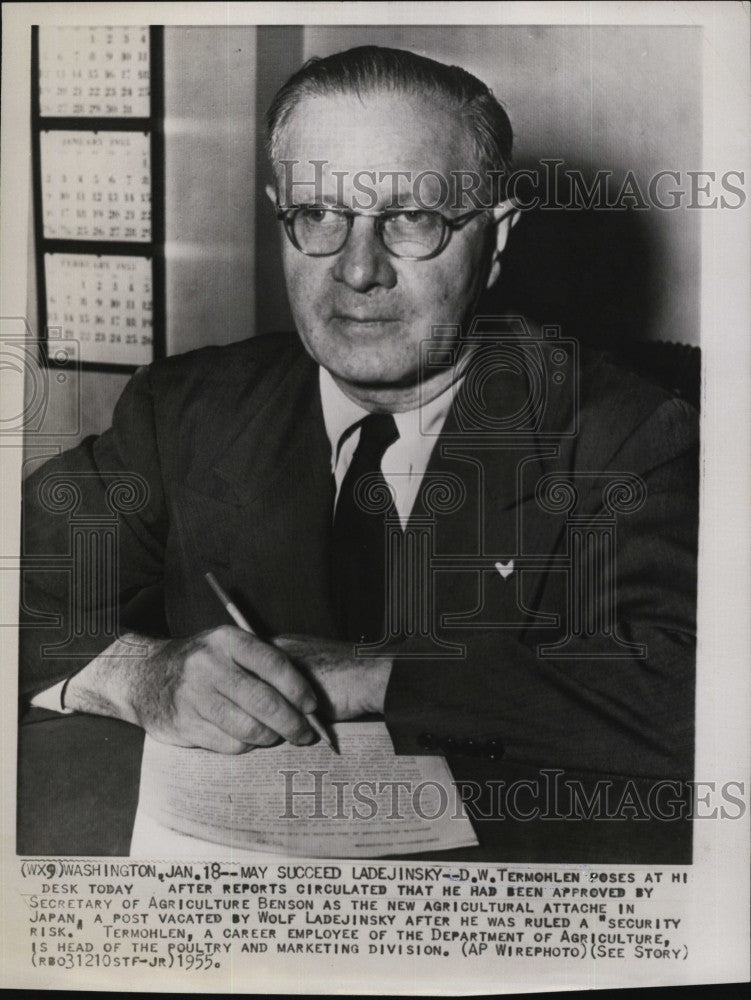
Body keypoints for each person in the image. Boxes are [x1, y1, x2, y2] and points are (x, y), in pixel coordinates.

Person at [20, 47, 697, 797]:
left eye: (410, 217)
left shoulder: (627, 435)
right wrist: (135, 675)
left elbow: (690, 701)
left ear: (496, 238)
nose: (357, 269)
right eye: (317, 214)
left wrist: (376, 676)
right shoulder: (184, 408)